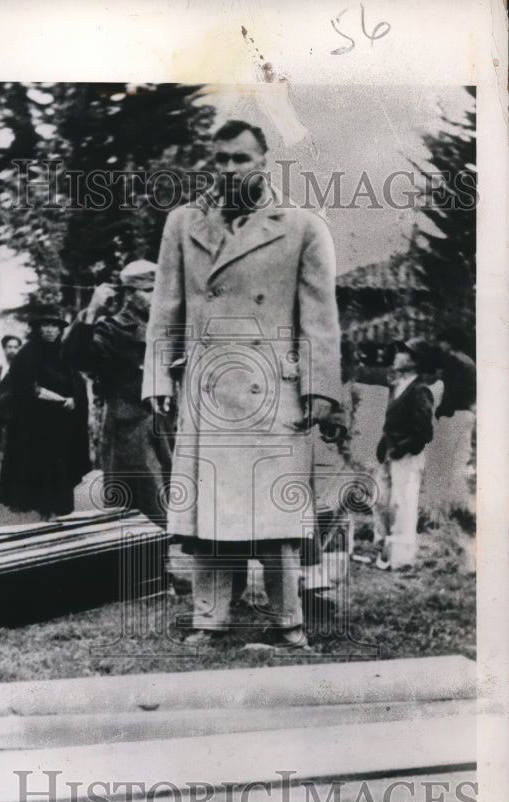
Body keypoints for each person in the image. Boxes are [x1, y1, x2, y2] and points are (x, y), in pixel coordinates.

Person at [142, 119, 343, 649]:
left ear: (265, 161)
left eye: (241, 158)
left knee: (274, 514)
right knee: (210, 512)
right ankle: (210, 621)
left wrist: (321, 387)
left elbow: (320, 317)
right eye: (221, 159)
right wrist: (158, 375)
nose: (229, 168)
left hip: (274, 391)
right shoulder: (184, 223)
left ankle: (288, 623)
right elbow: (166, 307)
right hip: (207, 390)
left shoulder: (301, 225)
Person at [62, 260, 173, 525]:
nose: (155, 297)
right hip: (131, 430)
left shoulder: (167, 328)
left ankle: (168, 562)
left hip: (168, 427)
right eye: (148, 291)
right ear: (130, 295)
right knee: (142, 509)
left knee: (177, 501)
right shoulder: (112, 329)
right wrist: (91, 312)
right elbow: (78, 358)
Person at [0, 304, 91, 520]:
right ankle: (39, 517)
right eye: (45, 325)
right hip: (34, 427)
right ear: (38, 328)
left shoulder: (65, 354)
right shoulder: (26, 354)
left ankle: (61, 516)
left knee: (61, 472)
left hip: (62, 428)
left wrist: (75, 400)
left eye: (55, 326)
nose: (50, 330)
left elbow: (78, 384)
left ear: (60, 330)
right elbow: (24, 387)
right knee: (36, 473)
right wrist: (59, 399)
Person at [373, 337, 441, 570]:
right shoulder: (397, 387)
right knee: (381, 501)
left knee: (402, 504)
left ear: (415, 361)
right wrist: (384, 446)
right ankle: (384, 551)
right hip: (390, 453)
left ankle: (401, 558)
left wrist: (403, 448)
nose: (396, 355)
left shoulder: (420, 390)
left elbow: (424, 432)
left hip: (407, 454)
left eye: (403, 352)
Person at [0, 334, 22, 454]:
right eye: (9, 347)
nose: (12, 350)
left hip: (18, 420)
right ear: (4, 349)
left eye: (16, 347)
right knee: (2, 454)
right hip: (0, 421)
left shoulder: (24, 370)